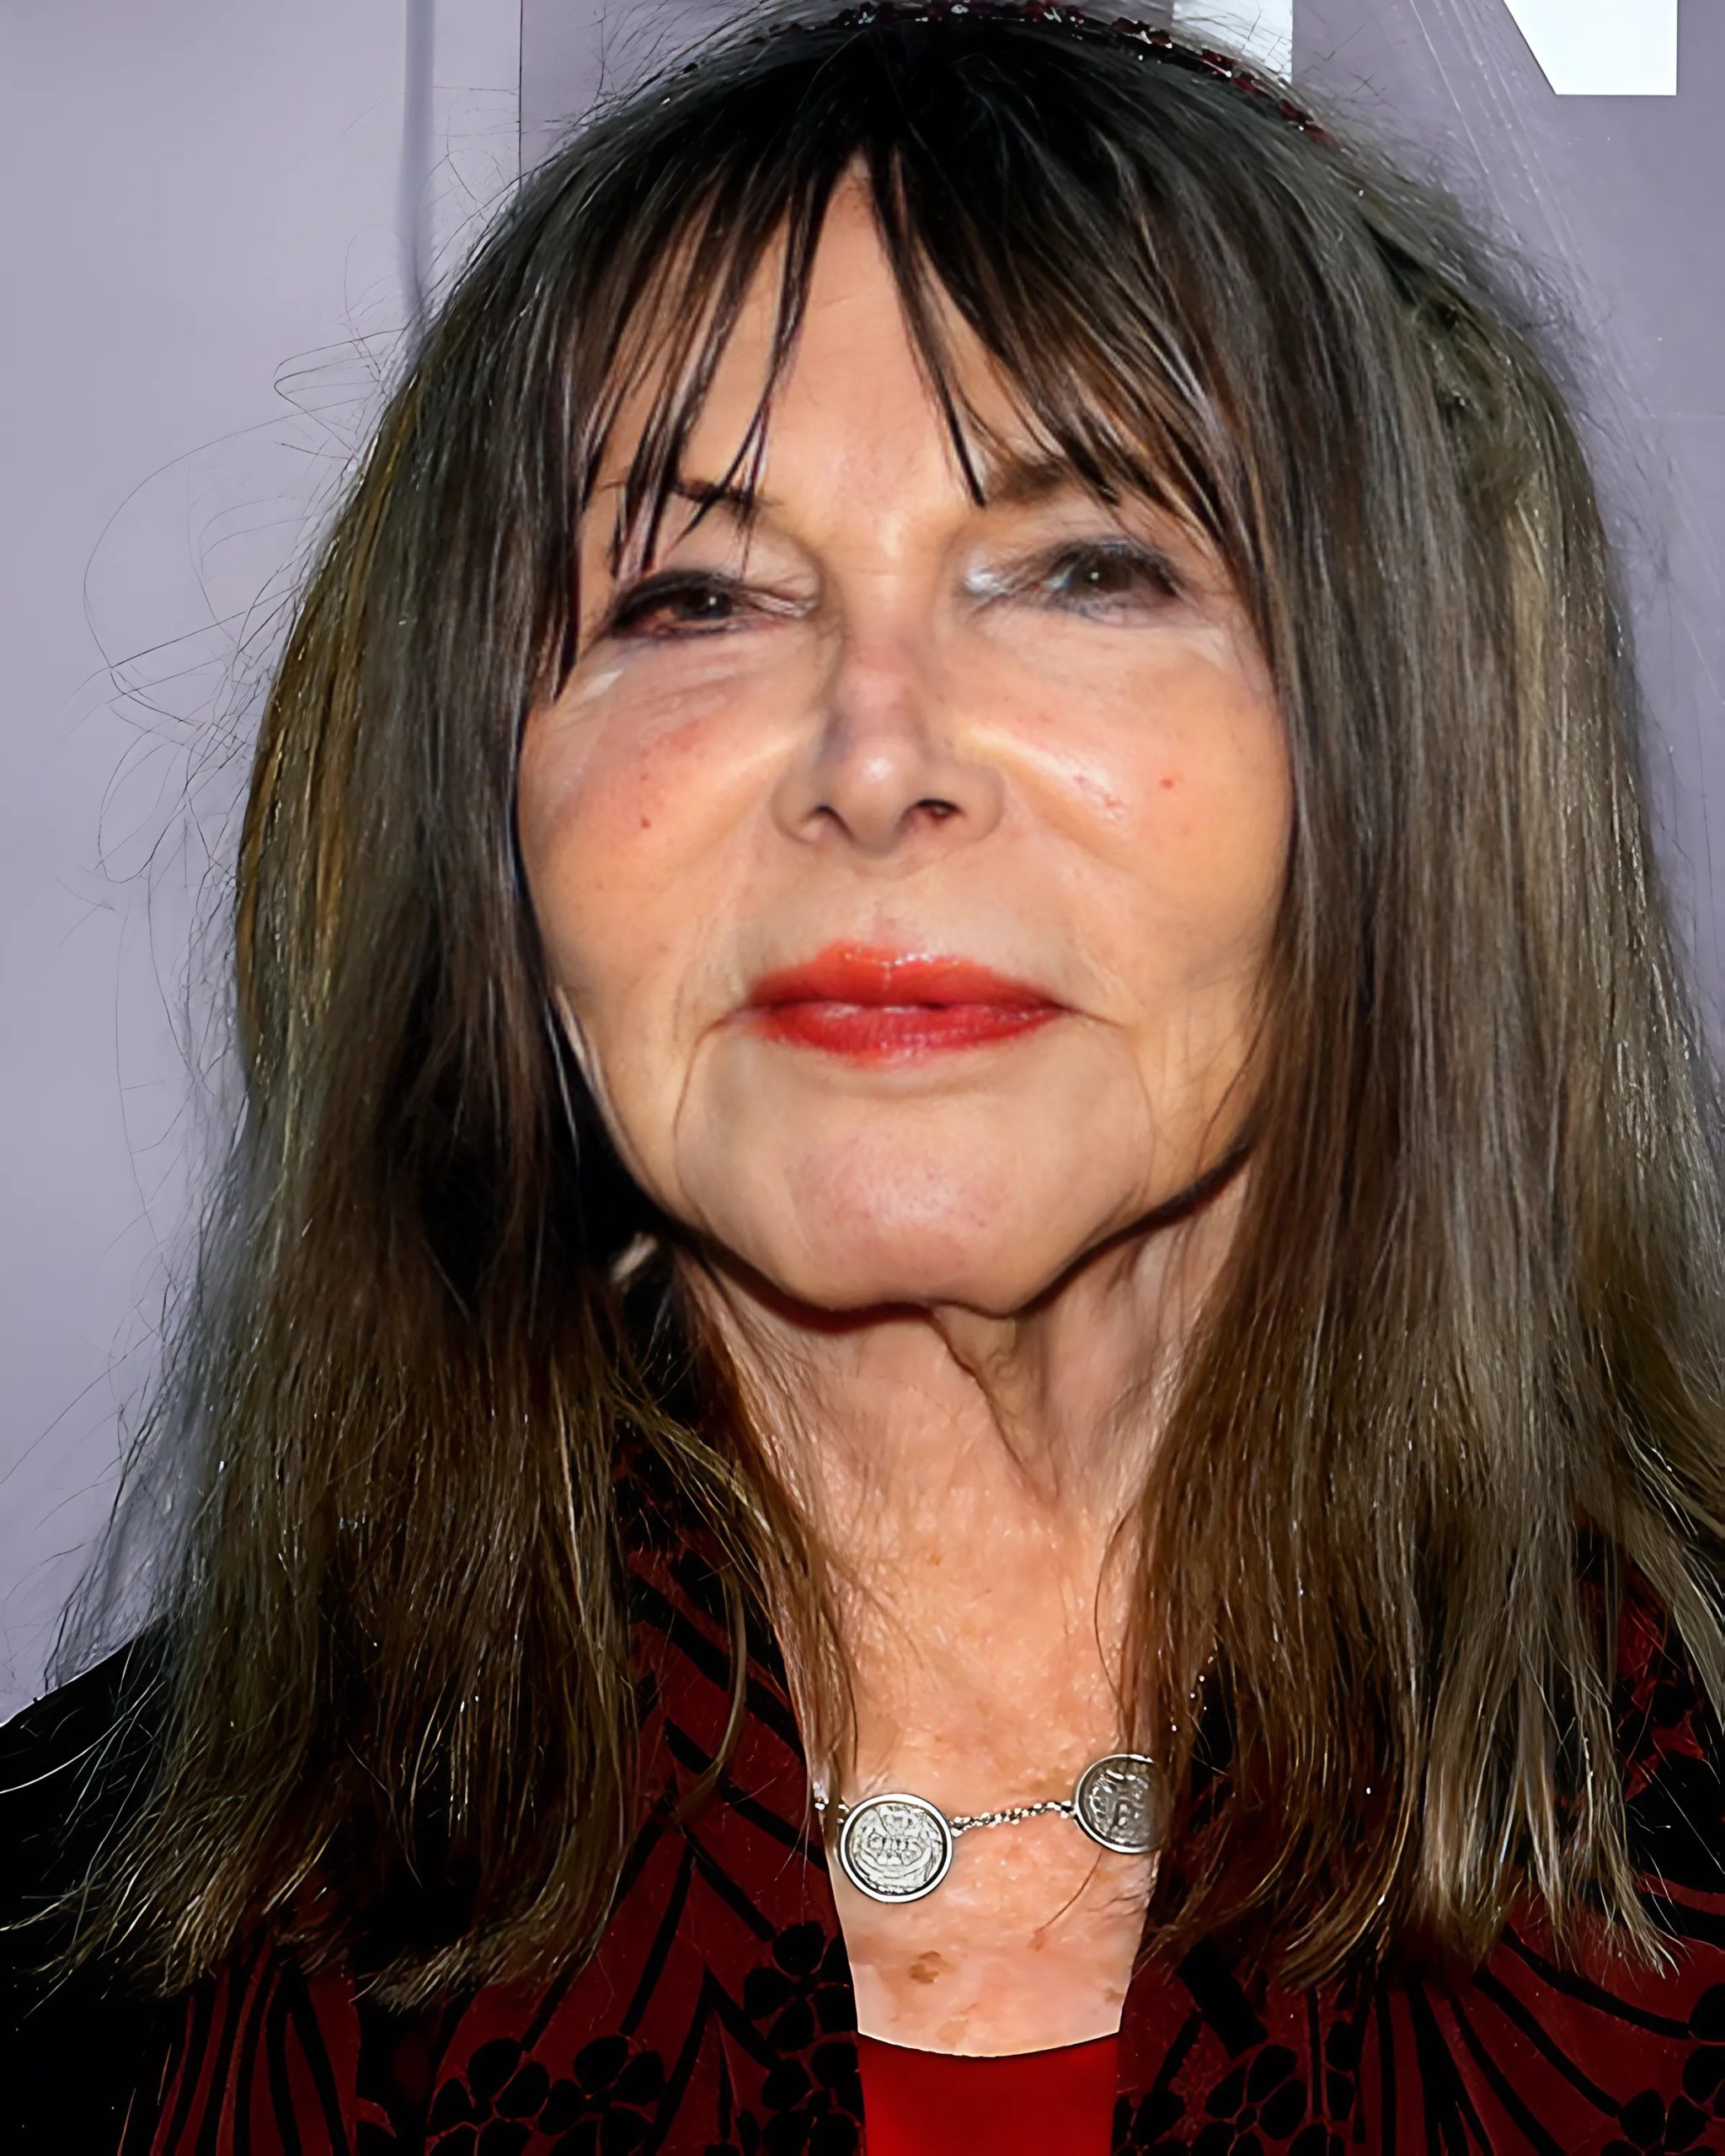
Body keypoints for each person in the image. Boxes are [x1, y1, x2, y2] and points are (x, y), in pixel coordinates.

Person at [7, 2, 1725, 2148]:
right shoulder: (65, 1966)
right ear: (489, 832)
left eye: (1087, 570)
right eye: (695, 597)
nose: (875, 753)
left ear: (1420, 766)